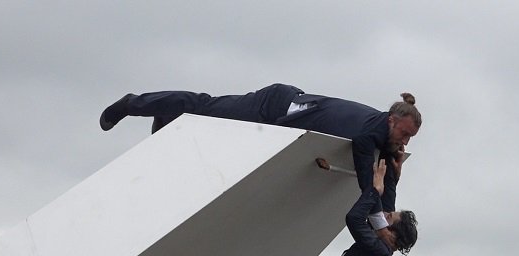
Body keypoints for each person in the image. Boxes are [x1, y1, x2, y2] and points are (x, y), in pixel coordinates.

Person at [99, 84, 421, 231]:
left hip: (283, 118)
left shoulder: (385, 137)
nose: (404, 143)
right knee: (205, 106)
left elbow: (386, 178)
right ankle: (132, 104)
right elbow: (368, 186)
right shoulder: (368, 135)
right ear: (391, 120)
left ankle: (165, 117)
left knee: (211, 129)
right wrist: (381, 227)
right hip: (274, 106)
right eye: (404, 134)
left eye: (409, 139)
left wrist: (394, 190)